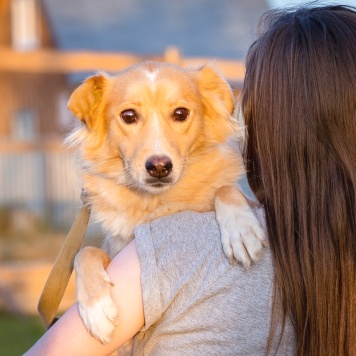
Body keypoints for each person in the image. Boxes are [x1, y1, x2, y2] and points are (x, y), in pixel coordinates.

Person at [25, 4, 355, 356]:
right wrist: (86, 261)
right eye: (130, 117)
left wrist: (228, 198)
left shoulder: (167, 251)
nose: (157, 155)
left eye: (179, 114)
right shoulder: (320, 250)